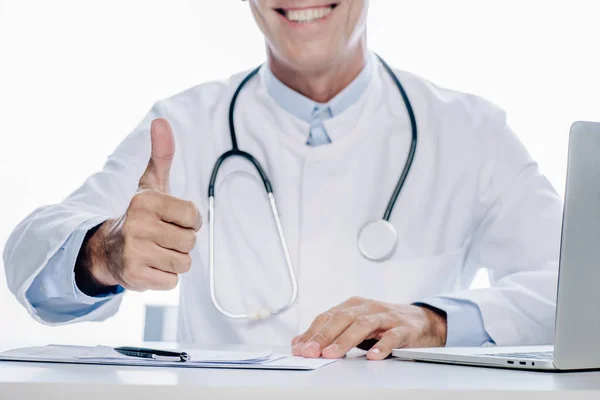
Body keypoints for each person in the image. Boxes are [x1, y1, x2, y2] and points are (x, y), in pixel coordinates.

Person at [3, 0, 562, 361]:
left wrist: (435, 321)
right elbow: (29, 256)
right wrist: (106, 251)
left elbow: (578, 286)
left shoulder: (472, 132)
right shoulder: (184, 126)